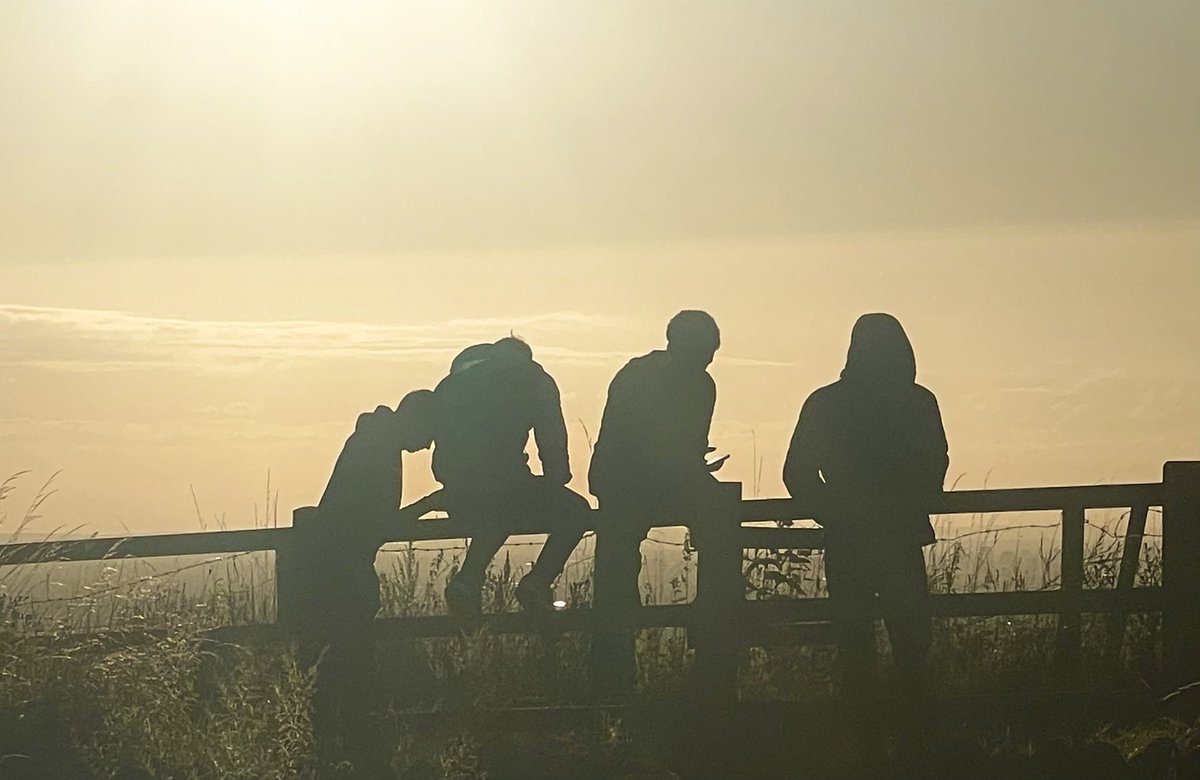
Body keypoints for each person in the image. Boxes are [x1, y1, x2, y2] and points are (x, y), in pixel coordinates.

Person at [782, 313, 948, 762]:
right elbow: (936, 464)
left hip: (849, 540)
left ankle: (863, 744)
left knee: (855, 639)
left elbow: (796, 472)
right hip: (900, 537)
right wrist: (910, 503)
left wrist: (833, 512)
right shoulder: (918, 402)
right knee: (912, 640)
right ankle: (920, 739)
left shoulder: (826, 402)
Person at [302, 389, 440, 776]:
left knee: (340, 661)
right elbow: (377, 524)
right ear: (415, 420)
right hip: (342, 571)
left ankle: (335, 747)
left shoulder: (374, 441)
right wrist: (428, 505)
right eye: (430, 430)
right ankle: (350, 751)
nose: (430, 443)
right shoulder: (380, 451)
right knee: (348, 660)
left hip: (335, 567)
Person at [587, 310, 726, 695]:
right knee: (717, 518)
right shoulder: (698, 385)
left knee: (617, 563)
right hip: (636, 482)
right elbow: (673, 447)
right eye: (709, 349)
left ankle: (612, 669)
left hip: (618, 481)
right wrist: (693, 471)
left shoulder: (637, 373)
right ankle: (712, 635)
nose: (710, 357)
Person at [434, 337, 592, 616]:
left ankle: (469, 579)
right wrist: (554, 481)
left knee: (499, 507)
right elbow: (552, 439)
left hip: (457, 490)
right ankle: (537, 581)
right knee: (576, 511)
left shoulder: (453, 383)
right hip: (506, 487)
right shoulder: (534, 380)